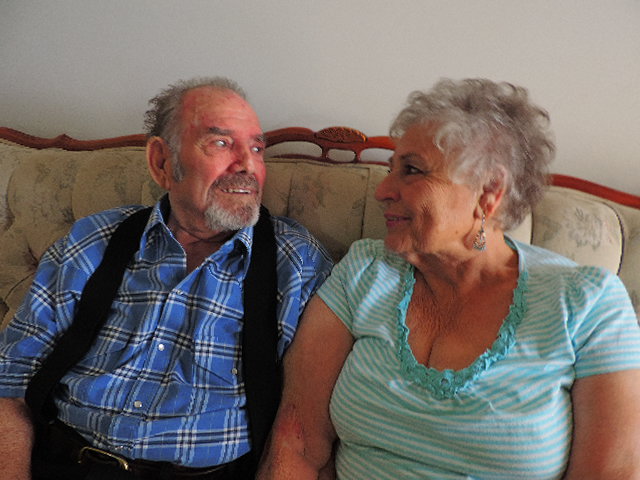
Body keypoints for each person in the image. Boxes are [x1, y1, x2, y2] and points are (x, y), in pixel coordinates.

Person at [257, 78, 640, 479]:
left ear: (488, 192)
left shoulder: (587, 303)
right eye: (391, 169)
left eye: (411, 170)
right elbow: (297, 442)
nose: (383, 190)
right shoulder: (364, 271)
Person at [0, 77, 332, 480]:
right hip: (63, 462)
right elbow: (10, 380)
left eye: (257, 148)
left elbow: (301, 431)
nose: (247, 165)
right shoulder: (94, 240)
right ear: (161, 161)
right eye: (221, 143)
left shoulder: (296, 263)